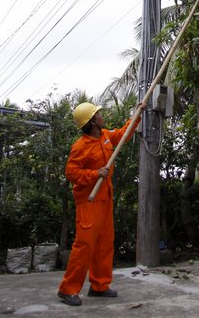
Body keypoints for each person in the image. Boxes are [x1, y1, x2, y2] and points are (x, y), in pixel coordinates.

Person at [57, 102, 142, 307]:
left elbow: (123, 134)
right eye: (98, 114)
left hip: (105, 198)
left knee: (104, 244)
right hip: (89, 201)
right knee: (84, 246)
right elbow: (71, 173)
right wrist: (95, 174)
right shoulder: (80, 147)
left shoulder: (104, 136)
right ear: (92, 121)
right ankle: (68, 290)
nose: (102, 115)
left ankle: (99, 285)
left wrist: (138, 114)